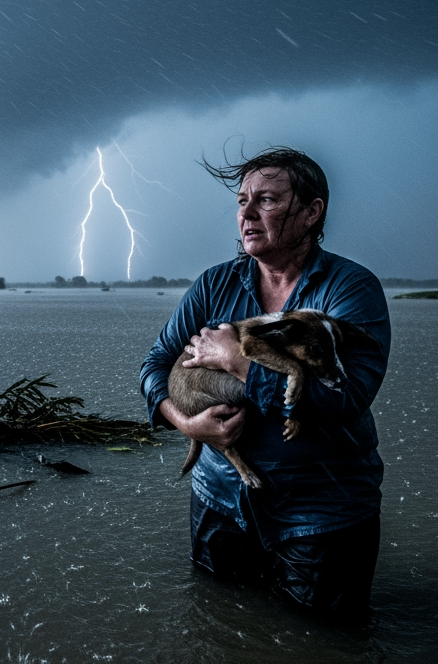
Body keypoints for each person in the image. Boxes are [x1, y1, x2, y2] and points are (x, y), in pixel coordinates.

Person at [139, 147, 390, 623]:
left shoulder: (350, 289)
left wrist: (239, 362)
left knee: (324, 642)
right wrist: (187, 423)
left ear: (312, 211)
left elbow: (347, 400)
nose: (247, 214)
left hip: (321, 514)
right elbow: (155, 365)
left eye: (268, 200)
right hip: (220, 502)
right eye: (241, 201)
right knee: (223, 629)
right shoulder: (215, 285)